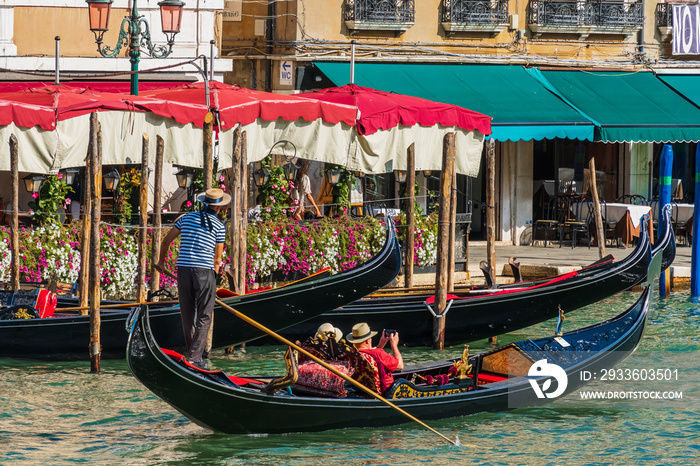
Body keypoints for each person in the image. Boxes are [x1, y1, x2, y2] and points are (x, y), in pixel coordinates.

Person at [154, 188, 229, 370]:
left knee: (187, 313)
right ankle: (195, 359)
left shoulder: (186, 218)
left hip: (183, 270)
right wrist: (214, 278)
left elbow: (165, 242)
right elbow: (217, 259)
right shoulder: (219, 226)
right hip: (204, 271)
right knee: (204, 315)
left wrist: (161, 263)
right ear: (219, 208)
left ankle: (193, 356)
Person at [346, 322, 403, 394]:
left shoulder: (352, 354)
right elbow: (400, 366)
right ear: (367, 340)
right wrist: (394, 345)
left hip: (364, 390)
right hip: (387, 392)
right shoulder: (379, 353)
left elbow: (370, 355)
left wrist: (380, 345)